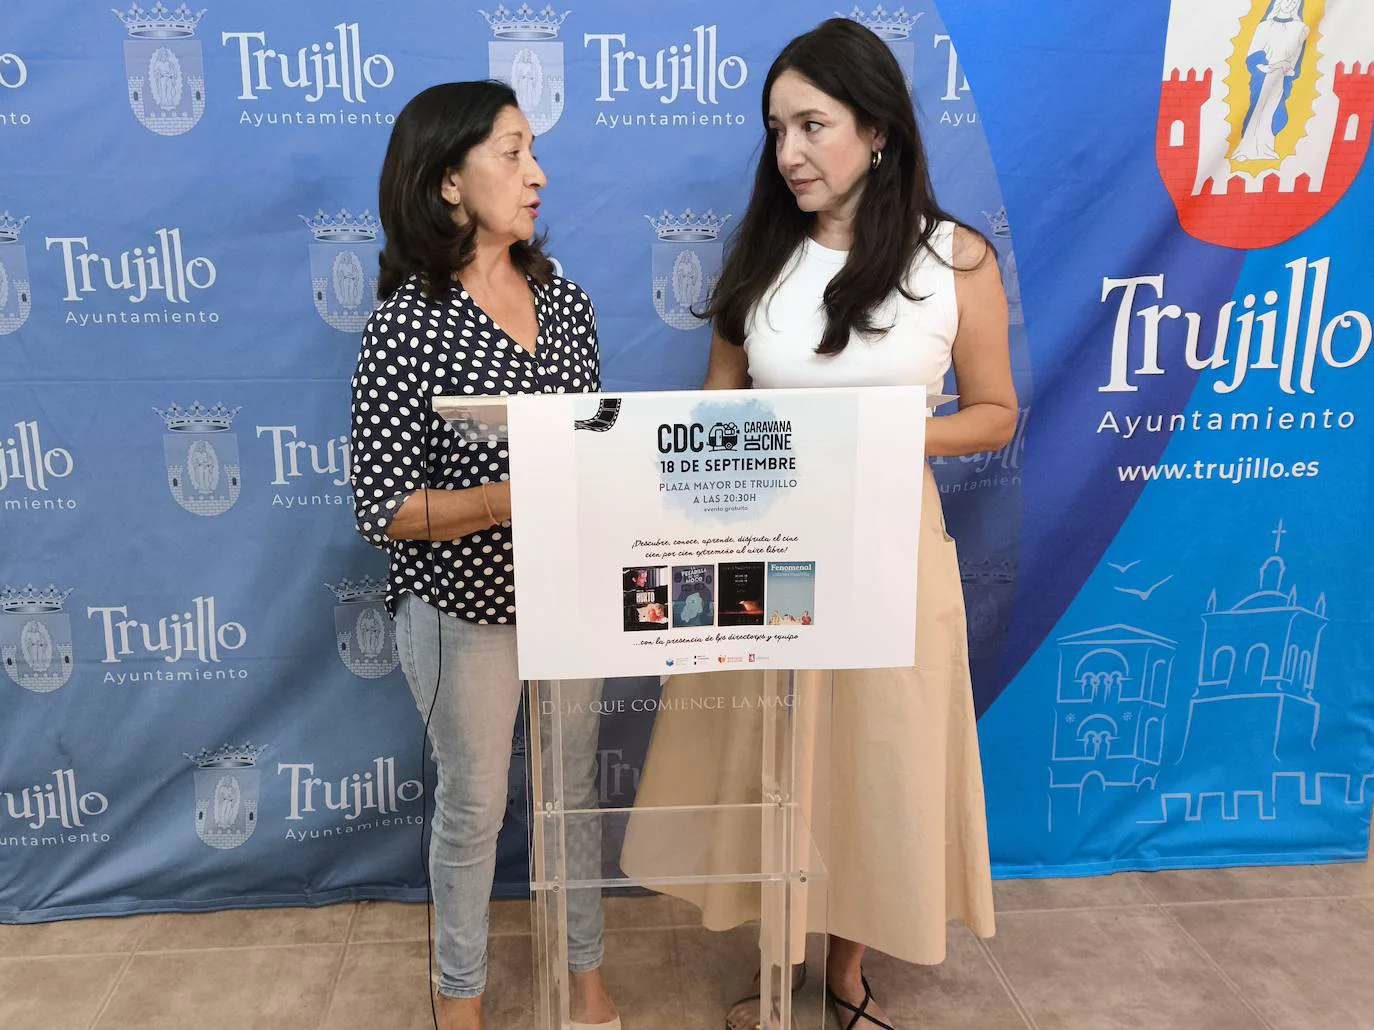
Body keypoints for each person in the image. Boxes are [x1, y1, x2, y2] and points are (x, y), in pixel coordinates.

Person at [621, 19, 1016, 1030]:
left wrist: (877, 435)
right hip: (765, 549)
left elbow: (995, 412)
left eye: (812, 125)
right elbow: (718, 406)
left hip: (893, 549)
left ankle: (845, 962)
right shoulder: (758, 259)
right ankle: (778, 953)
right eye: (776, 129)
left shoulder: (955, 258)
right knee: (770, 752)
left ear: (877, 131)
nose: (790, 152)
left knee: (877, 757)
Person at [349, 81, 620, 1030]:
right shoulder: (406, 324)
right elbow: (385, 507)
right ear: (446, 182)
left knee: (574, 799)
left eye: (533, 150)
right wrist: (513, 497)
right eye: (510, 152)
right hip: (463, 610)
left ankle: (584, 975)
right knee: (473, 810)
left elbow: (594, 443)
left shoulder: (569, 303)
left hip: (571, 597)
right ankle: (456, 999)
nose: (536, 173)